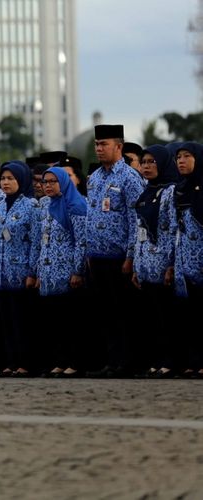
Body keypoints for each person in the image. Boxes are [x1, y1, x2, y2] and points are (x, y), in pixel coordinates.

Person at [85, 124, 144, 377]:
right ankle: (112, 360)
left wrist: (131, 255)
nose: (99, 149)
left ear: (118, 147)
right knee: (105, 312)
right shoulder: (95, 177)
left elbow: (135, 219)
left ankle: (129, 362)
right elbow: (91, 215)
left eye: (104, 144)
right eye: (97, 144)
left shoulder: (129, 178)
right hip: (97, 255)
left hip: (120, 257)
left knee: (124, 312)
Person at [0, 161, 40, 377]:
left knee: (21, 322)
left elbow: (36, 241)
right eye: (3, 178)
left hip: (20, 273)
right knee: (5, 321)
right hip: (0, 272)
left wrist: (31, 272)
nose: (5, 182)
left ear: (22, 180)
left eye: (11, 178)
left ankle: (25, 363)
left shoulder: (31, 206)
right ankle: (10, 361)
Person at [131, 145, 179, 377]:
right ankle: (156, 360)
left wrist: (171, 263)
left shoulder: (170, 192)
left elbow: (171, 229)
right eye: (144, 162)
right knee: (150, 317)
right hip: (146, 264)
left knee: (166, 317)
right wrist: (136, 265)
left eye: (152, 162)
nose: (146, 167)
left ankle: (170, 361)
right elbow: (139, 230)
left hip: (162, 264)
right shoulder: (146, 192)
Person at [36, 167, 87, 377]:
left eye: (52, 182)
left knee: (70, 321)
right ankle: (60, 360)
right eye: (45, 182)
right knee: (54, 321)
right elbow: (42, 241)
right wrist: (40, 272)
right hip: (49, 273)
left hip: (67, 272)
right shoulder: (46, 205)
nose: (47, 186)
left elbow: (81, 241)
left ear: (64, 182)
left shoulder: (75, 205)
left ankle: (74, 362)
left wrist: (78, 271)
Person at [171, 142, 203, 377]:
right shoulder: (179, 190)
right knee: (190, 315)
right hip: (185, 260)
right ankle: (193, 361)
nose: (181, 161)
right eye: (178, 157)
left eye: (187, 156)